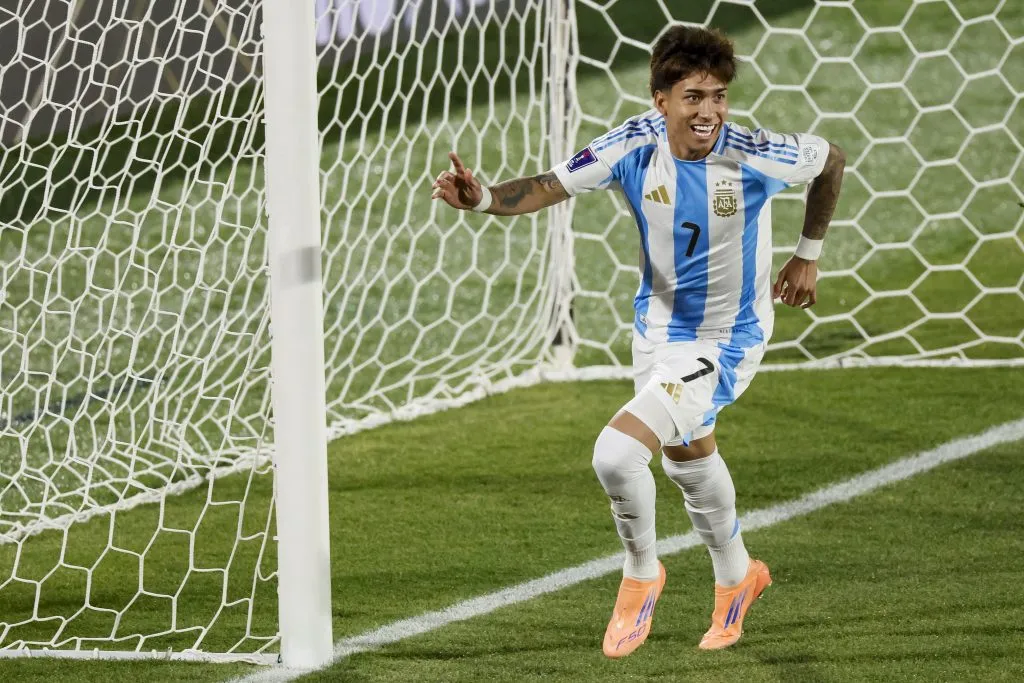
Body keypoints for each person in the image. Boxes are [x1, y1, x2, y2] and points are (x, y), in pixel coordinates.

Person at [430, 25, 845, 657]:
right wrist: (483, 197)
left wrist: (807, 255)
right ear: (661, 100)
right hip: (655, 333)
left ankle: (641, 573)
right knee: (686, 454)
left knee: (616, 455)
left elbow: (831, 159)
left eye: (718, 96)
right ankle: (738, 578)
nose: (708, 111)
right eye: (693, 97)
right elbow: (549, 184)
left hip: (727, 339)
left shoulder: (754, 151)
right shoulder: (632, 146)